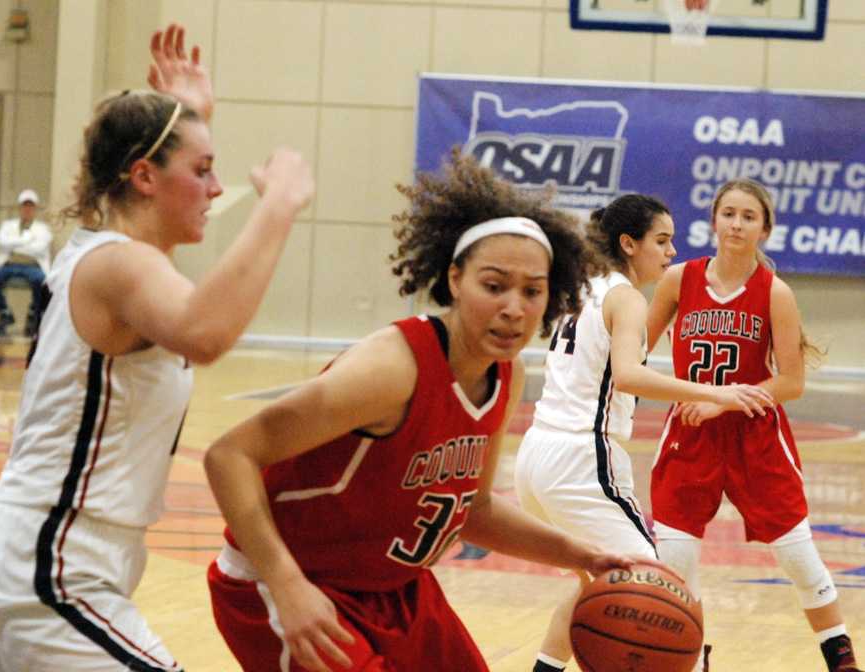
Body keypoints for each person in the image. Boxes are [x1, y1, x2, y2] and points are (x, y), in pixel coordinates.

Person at [203, 151, 672, 672]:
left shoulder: (506, 374)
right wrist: (286, 585)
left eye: (532, 292)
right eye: (493, 286)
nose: (514, 307)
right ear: (454, 280)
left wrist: (581, 555)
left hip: (395, 589)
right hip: (289, 581)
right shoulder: (391, 367)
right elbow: (230, 456)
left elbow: (473, 510)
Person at [0, 24, 313, 672]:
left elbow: (178, 288)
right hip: (54, 567)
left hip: (26, 554)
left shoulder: (117, 260)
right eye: (203, 172)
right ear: (144, 176)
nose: (216, 191)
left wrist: (189, 120)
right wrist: (280, 208)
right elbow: (205, 333)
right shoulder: (119, 267)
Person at [514, 194, 774, 672]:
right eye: (662, 240)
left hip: (534, 458)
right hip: (582, 460)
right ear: (629, 244)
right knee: (659, 588)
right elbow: (630, 375)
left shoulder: (585, 287)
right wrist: (717, 393)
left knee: (596, 581)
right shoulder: (626, 297)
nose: (672, 251)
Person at [647, 178, 861, 672]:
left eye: (748, 216)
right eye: (729, 214)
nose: (737, 224)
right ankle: (691, 662)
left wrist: (722, 402)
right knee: (675, 567)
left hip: (756, 436)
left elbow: (791, 382)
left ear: (765, 229)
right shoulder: (679, 279)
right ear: (713, 219)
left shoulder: (775, 293)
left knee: (800, 561)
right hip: (690, 434)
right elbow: (635, 349)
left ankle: (843, 663)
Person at [0, 188, 52, 336]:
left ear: (35, 208)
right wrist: (27, 240)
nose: (27, 209)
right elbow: (2, 242)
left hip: (32, 265)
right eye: (24, 206)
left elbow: (39, 248)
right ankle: (4, 312)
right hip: (10, 264)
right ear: (20, 208)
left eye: (30, 206)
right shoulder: (8, 225)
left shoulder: (42, 228)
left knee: (40, 280)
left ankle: (33, 314)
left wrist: (16, 244)